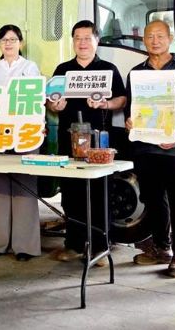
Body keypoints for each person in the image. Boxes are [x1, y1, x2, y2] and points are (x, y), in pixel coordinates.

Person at [125, 20, 175, 277]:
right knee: (153, 201)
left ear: (169, 39)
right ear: (144, 41)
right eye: (150, 36)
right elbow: (131, 109)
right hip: (145, 149)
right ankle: (161, 248)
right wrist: (130, 122)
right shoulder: (136, 73)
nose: (155, 41)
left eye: (160, 36)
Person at [47, 20, 126, 266]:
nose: (82, 42)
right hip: (68, 140)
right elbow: (51, 101)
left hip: (98, 140)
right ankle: (73, 244)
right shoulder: (63, 69)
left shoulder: (107, 69)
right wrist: (54, 105)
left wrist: (106, 104)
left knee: (99, 192)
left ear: (96, 40)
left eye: (87, 37)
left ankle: (101, 246)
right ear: (73, 42)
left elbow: (122, 99)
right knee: (71, 194)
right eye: (77, 38)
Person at [0, 25, 42, 261]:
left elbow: (36, 99)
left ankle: (24, 246)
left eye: (13, 39)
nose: (9, 43)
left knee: (24, 186)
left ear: (21, 43)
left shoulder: (30, 67)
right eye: (4, 40)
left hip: (25, 132)